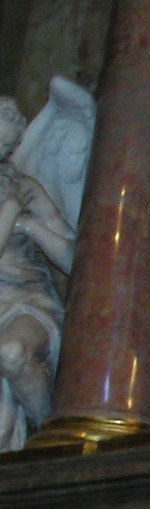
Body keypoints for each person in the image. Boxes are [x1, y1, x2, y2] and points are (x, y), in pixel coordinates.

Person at [0, 98, 75, 451]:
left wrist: (30, 226)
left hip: (26, 304)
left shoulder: (25, 188)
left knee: (12, 352)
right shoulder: (16, 197)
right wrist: (11, 210)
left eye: (6, 147)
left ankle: (47, 435)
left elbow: (73, 259)